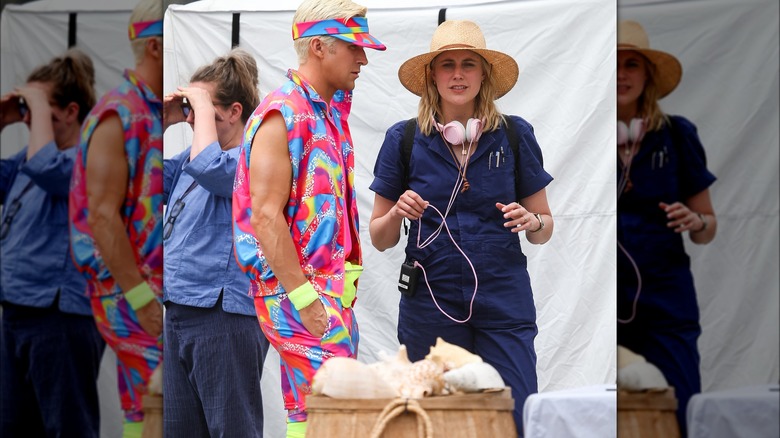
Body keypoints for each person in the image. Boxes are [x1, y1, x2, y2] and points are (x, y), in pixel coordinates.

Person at [369, 20, 554, 436]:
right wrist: (397, 212)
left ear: (483, 74)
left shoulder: (513, 133)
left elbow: (545, 228)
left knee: (516, 413)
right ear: (432, 76)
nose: (457, 74)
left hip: (504, 298)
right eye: (447, 65)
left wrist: (533, 220)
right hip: (429, 304)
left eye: (468, 64)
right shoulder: (403, 138)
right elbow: (379, 238)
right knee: (433, 422)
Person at [231, 0, 385, 436]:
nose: (364, 58)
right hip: (298, 294)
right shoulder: (284, 114)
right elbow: (264, 217)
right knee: (337, 413)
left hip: (326, 293)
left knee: (309, 412)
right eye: (354, 47)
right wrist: (307, 302)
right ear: (318, 47)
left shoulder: (327, 112)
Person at [616, 20, 717, 436]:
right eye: (613, 65)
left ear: (648, 75)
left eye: (632, 64)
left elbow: (708, 226)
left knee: (682, 406)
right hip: (604, 304)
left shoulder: (677, 135)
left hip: (666, 302)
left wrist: (696, 221)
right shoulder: (582, 137)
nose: (621, 75)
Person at [161, 48, 270, 436]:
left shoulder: (254, 159)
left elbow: (212, 168)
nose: (192, 119)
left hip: (224, 316)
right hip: (179, 310)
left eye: (201, 110)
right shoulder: (189, 159)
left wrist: (203, 107)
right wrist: (163, 120)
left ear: (235, 111)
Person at [68, 0, 164, 435]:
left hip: (147, 290)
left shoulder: (155, 110)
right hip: (129, 292)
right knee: (159, 399)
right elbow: (103, 219)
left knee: (141, 404)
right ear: (157, 47)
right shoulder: (118, 112)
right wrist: (143, 301)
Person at [0, 48, 105, 438]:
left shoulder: (88, 161)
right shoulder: (25, 161)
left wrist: (39, 105)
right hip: (17, 311)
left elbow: (48, 167)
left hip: (60, 317)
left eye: (37, 110)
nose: (29, 119)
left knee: (67, 429)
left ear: (72, 111)